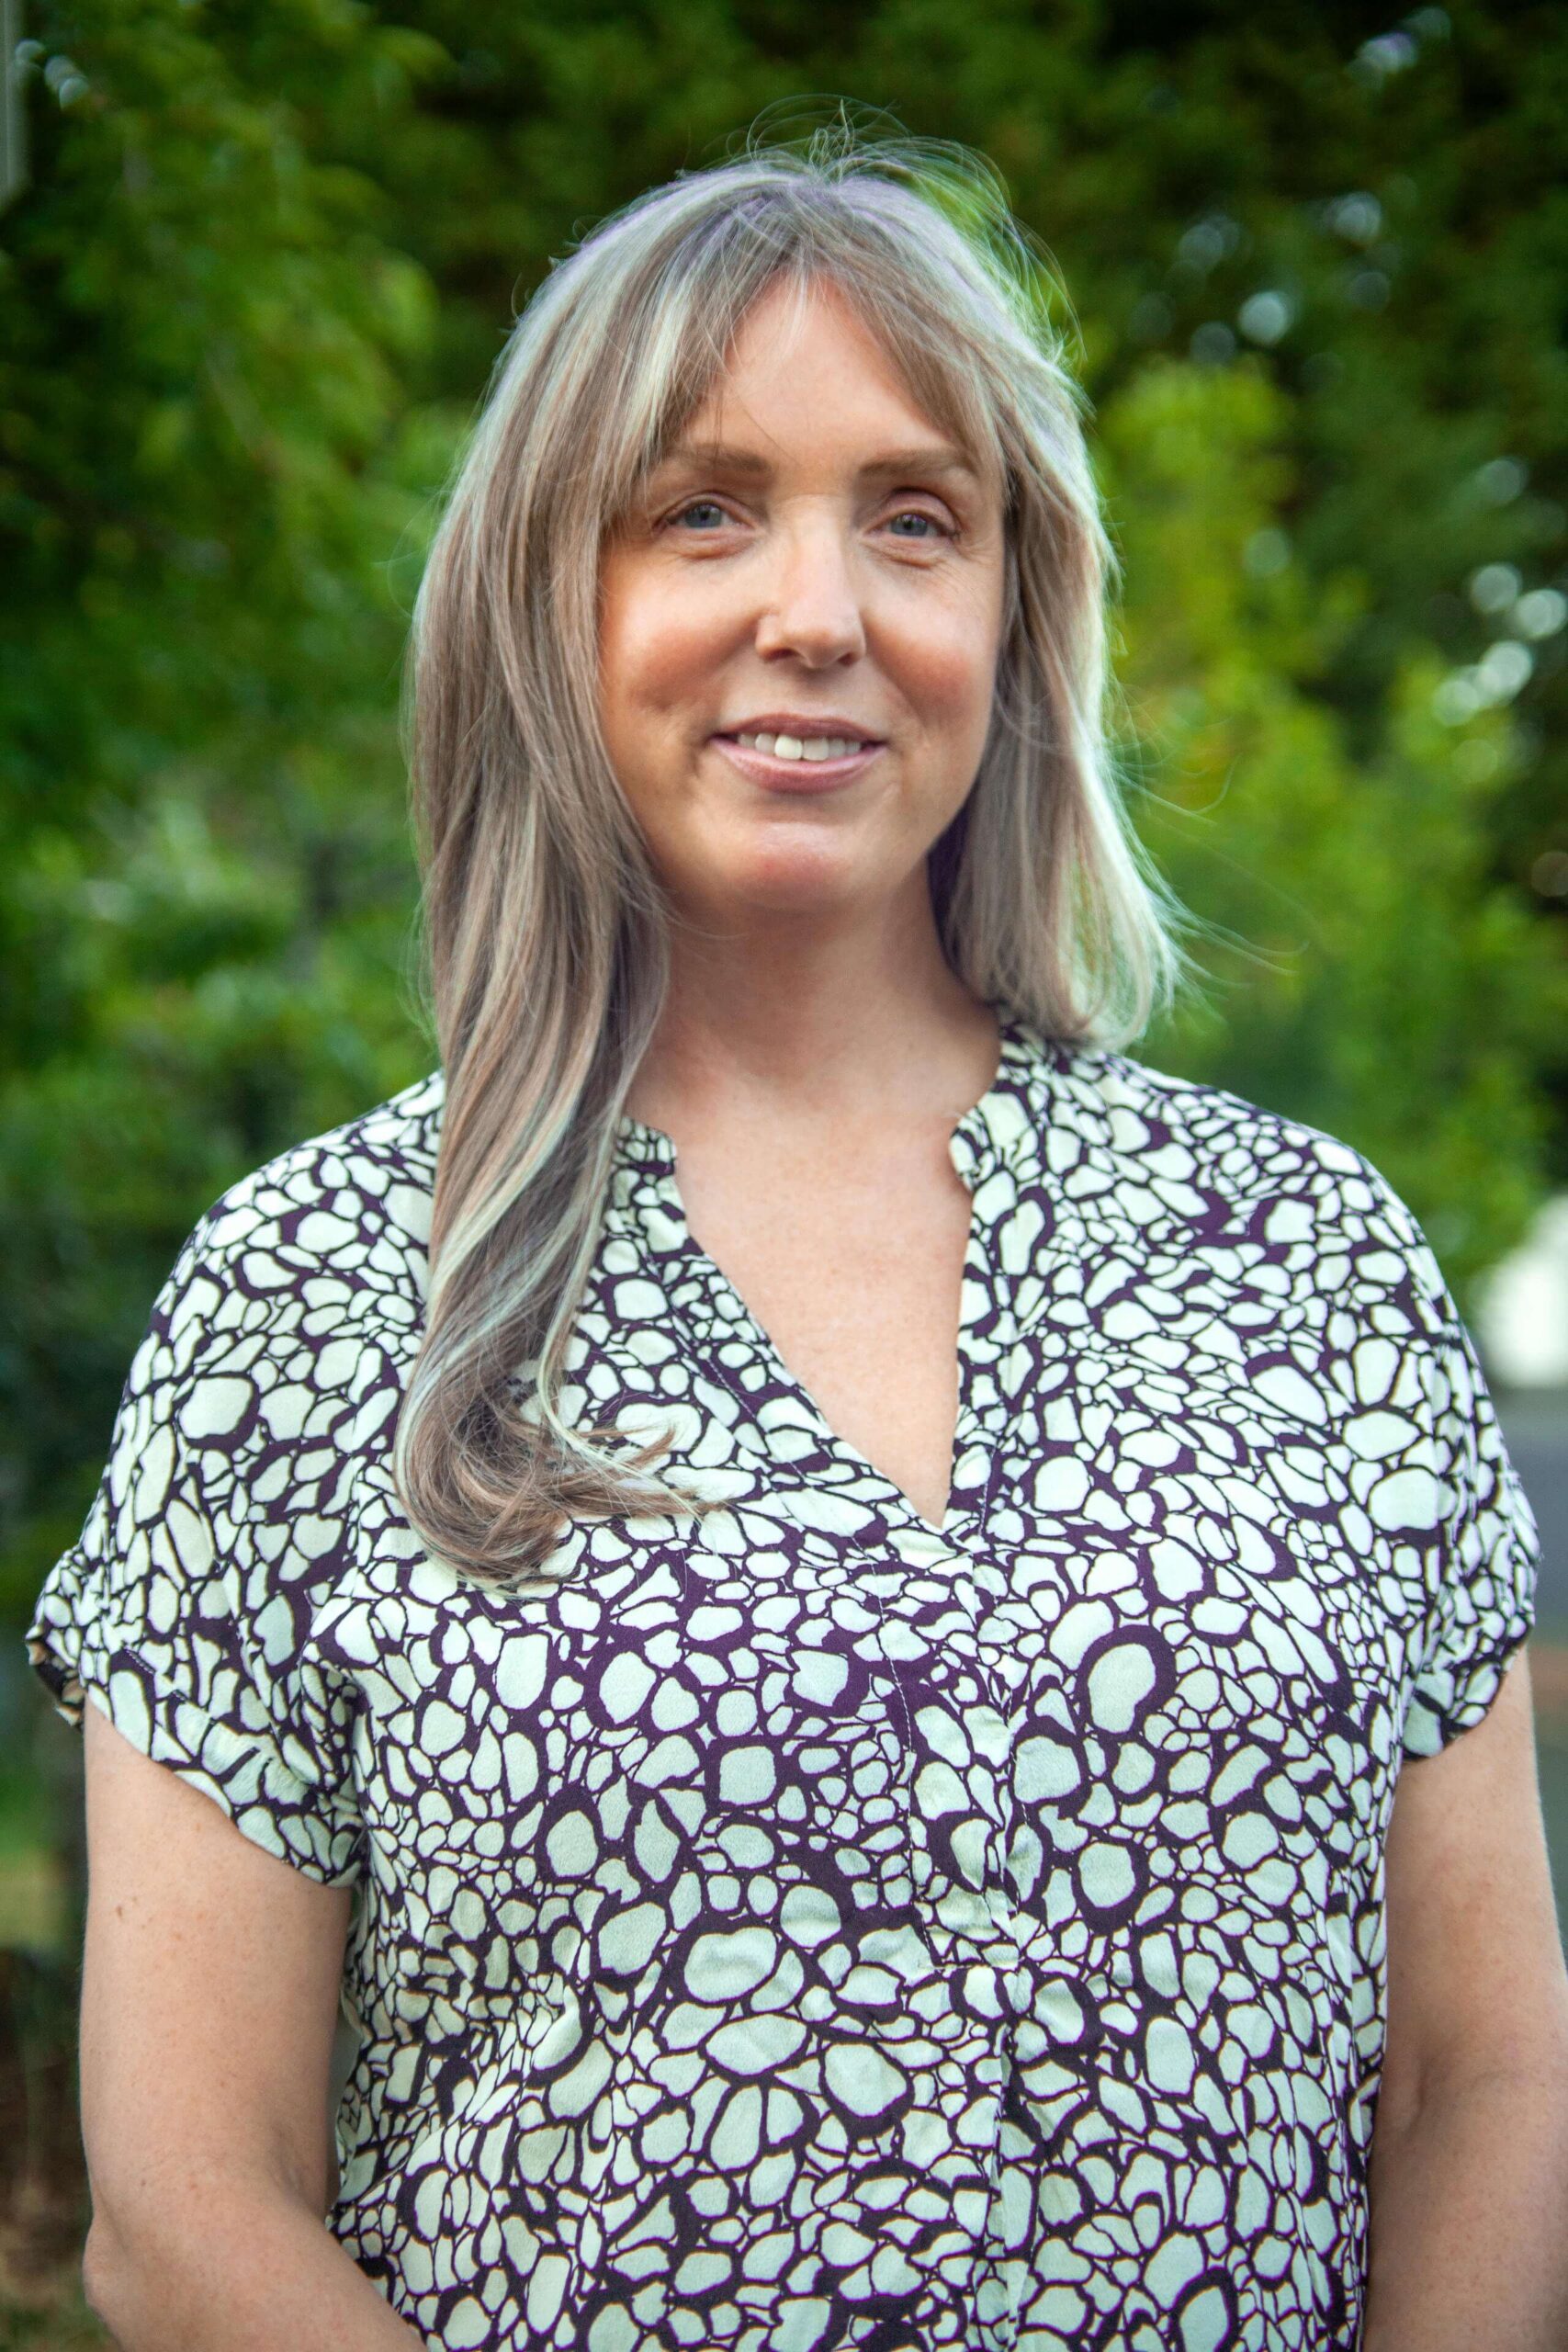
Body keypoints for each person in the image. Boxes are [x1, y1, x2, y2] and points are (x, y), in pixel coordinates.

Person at [27, 126, 1568, 2352]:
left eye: (915, 520)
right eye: (701, 508)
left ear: (1015, 617)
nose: (817, 613)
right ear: (549, 600)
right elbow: (182, 2204)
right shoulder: (311, 1289)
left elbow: (1484, 2069)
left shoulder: (1303, 1257)